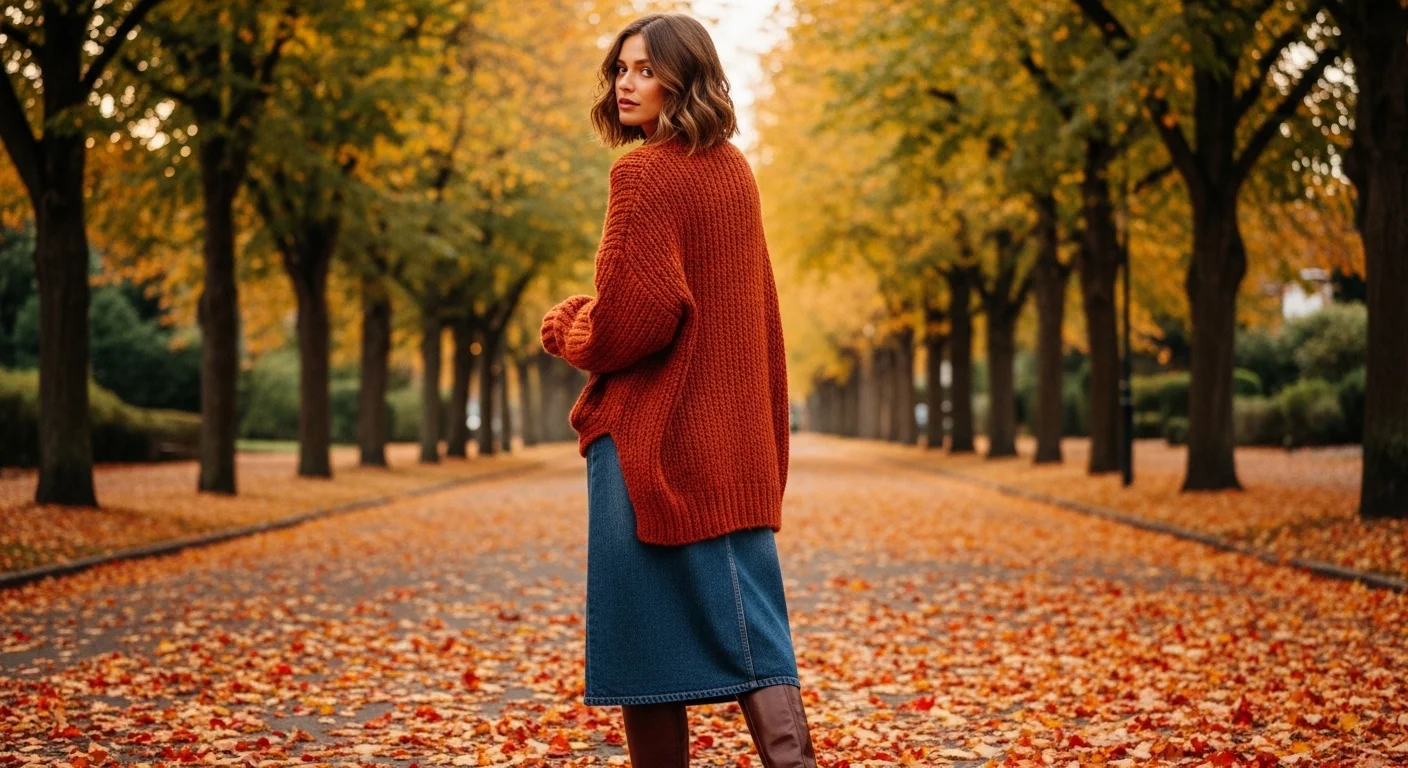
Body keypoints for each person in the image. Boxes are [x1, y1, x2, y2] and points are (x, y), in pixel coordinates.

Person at [538, 11, 819, 768]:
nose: (627, 83)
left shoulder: (643, 174)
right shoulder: (733, 169)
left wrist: (569, 326)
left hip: (653, 447)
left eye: (644, 70)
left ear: (683, 79)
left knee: (683, 644)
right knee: (700, 642)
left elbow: (635, 320)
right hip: (729, 440)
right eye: (620, 69)